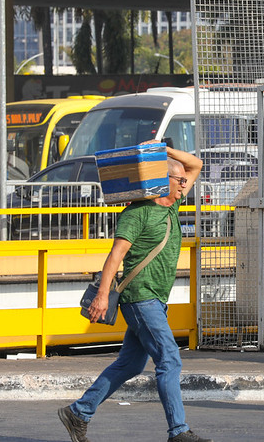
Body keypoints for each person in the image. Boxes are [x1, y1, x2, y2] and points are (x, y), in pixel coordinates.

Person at [58, 142, 209, 442]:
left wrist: (164, 151)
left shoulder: (172, 205)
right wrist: (102, 295)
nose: (184, 184)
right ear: (162, 181)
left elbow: (196, 165)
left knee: (130, 364)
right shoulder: (137, 213)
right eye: (178, 180)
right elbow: (115, 255)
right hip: (141, 298)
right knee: (169, 359)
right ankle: (178, 432)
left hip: (155, 300)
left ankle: (79, 412)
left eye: (184, 180)